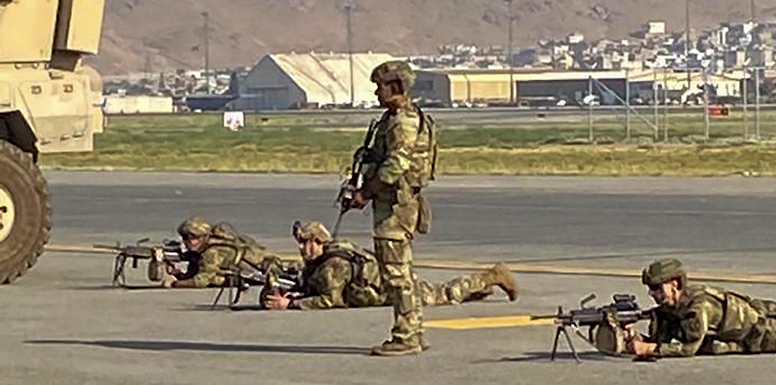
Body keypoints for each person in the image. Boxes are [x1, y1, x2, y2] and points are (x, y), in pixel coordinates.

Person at [347, 60, 437, 356]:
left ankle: (406, 336)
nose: (376, 93)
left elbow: (396, 164)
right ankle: (413, 331)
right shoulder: (393, 118)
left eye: (380, 87)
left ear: (396, 87)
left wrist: (366, 193)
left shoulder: (403, 121)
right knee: (402, 273)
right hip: (394, 205)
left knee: (396, 275)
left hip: (395, 208)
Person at [625, 258, 776, 357]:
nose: (652, 294)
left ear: (675, 284)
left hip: (768, 334)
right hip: (751, 327)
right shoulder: (675, 305)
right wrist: (634, 337)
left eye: (657, 288)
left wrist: (648, 348)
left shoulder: (698, 307)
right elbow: (667, 335)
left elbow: (688, 348)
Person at [263, 221, 519, 311]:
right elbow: (313, 286)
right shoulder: (320, 260)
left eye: (305, 242)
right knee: (443, 294)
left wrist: (293, 304)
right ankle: (479, 290)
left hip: (392, 289)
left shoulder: (334, 265)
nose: (300, 248)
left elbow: (331, 300)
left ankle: (492, 276)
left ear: (318, 242)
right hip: (385, 286)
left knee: (444, 295)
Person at [150, 216, 282, 289]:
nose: (188, 242)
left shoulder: (212, 252)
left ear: (204, 237)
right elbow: (198, 271)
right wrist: (179, 274)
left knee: (215, 279)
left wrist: (174, 283)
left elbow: (201, 281)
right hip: (251, 271)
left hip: (261, 271)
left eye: (193, 238)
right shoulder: (205, 250)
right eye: (185, 238)